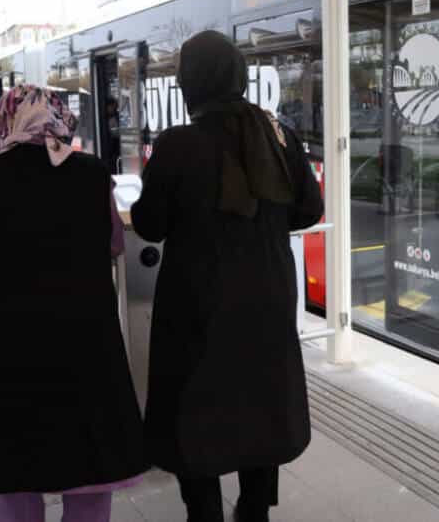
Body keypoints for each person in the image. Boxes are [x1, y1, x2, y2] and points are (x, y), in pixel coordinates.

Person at [0, 85, 146, 522]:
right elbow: (115, 245)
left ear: (6, 122)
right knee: (91, 458)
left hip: (12, 341)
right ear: (59, 118)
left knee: (17, 460)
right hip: (89, 337)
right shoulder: (93, 173)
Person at [130, 31, 324, 522]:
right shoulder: (278, 135)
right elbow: (309, 209)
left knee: (195, 410)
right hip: (266, 300)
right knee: (260, 407)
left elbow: (150, 225)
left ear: (190, 83)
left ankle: (205, 513)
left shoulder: (177, 145)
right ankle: (254, 510)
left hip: (198, 306)